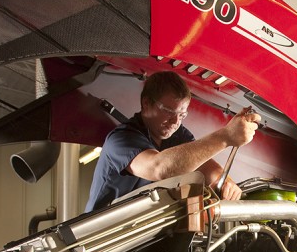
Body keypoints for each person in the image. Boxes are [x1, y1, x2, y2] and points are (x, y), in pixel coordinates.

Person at [84, 71, 261, 212]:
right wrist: (225, 136)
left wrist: (226, 183)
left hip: (138, 234)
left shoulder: (178, 135)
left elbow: (206, 168)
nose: (175, 122)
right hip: (96, 239)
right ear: (146, 104)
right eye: (169, 111)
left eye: (182, 115)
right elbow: (159, 168)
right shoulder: (121, 139)